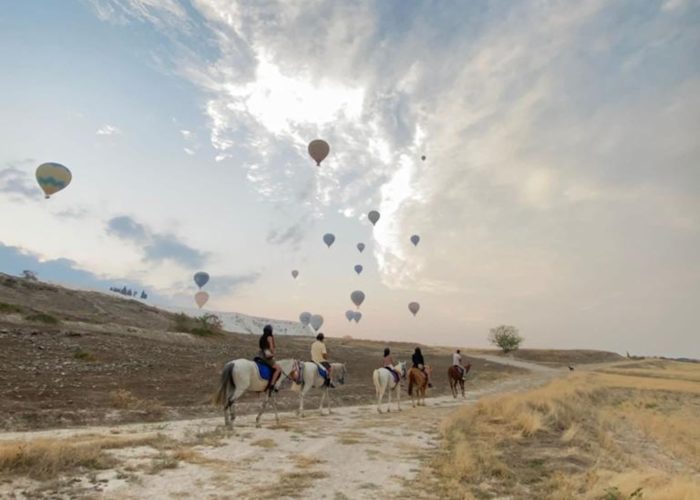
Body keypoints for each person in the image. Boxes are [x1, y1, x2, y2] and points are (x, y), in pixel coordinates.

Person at [258, 325, 281, 392]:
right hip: (266, 356)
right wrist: (273, 352)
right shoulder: (269, 337)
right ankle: (272, 384)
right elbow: (271, 348)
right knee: (278, 368)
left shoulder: (262, 337)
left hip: (260, 355)